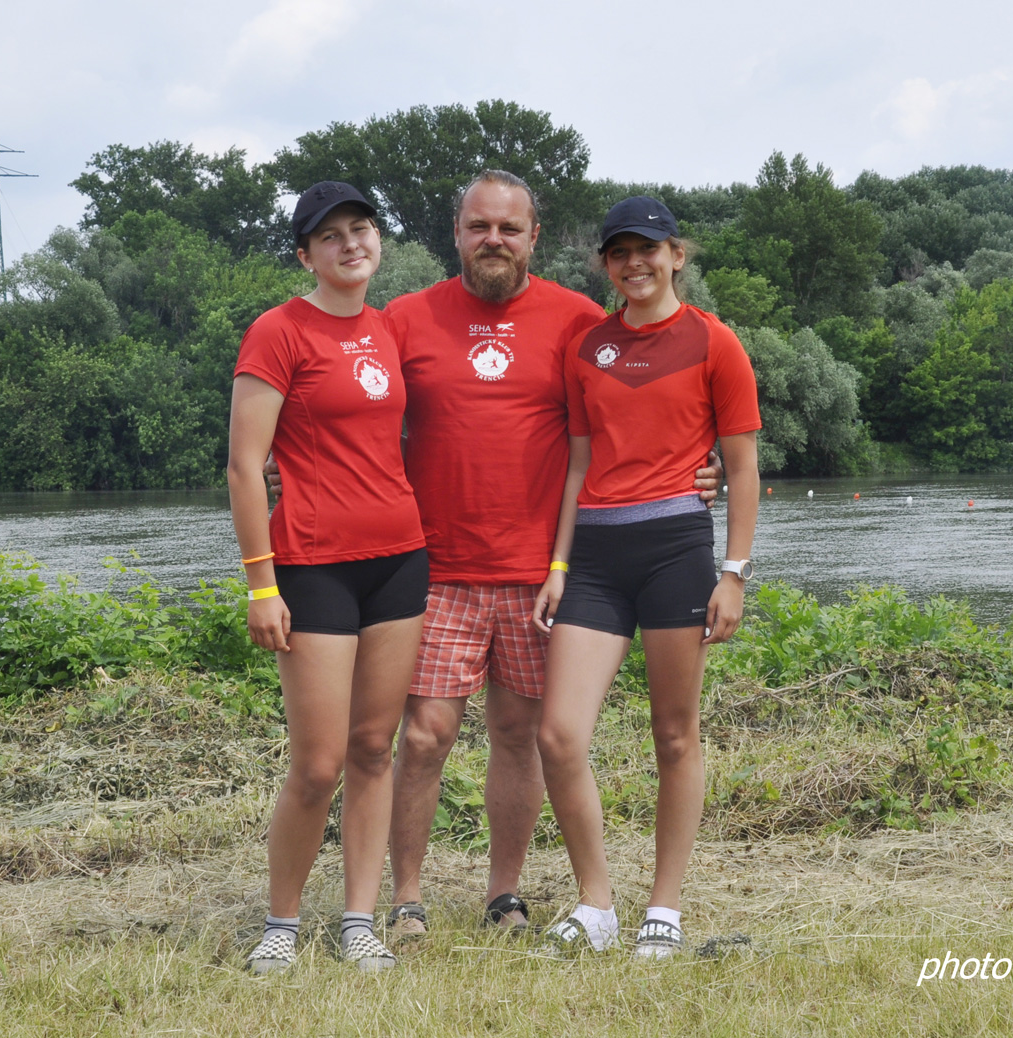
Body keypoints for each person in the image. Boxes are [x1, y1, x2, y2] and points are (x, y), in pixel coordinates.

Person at [265, 173, 722, 936]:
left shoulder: (581, 322)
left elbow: (642, 399)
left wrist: (701, 467)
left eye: (510, 229)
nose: (494, 241)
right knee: (422, 736)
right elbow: (343, 393)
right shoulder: (404, 320)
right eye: (479, 227)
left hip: (544, 572)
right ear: (456, 233)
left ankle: (502, 894)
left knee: (520, 734)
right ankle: (405, 898)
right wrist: (290, 456)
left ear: (534, 238)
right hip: (431, 565)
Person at [530, 195, 761, 958]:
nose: (636, 263)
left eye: (650, 249)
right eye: (620, 252)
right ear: (604, 264)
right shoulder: (586, 347)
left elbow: (740, 465)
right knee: (559, 735)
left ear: (677, 256)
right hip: (594, 557)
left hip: (675, 551)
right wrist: (559, 564)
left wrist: (733, 573)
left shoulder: (714, 343)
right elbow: (579, 463)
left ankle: (664, 907)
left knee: (674, 735)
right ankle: (597, 905)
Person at [226, 181, 427, 973]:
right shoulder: (278, 331)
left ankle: (358, 922)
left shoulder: (390, 329)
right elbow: (246, 467)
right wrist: (260, 583)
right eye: (333, 235)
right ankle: (280, 924)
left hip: (401, 558)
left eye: (364, 229)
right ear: (306, 254)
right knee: (317, 764)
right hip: (311, 566)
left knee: (375, 747)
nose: (352, 244)